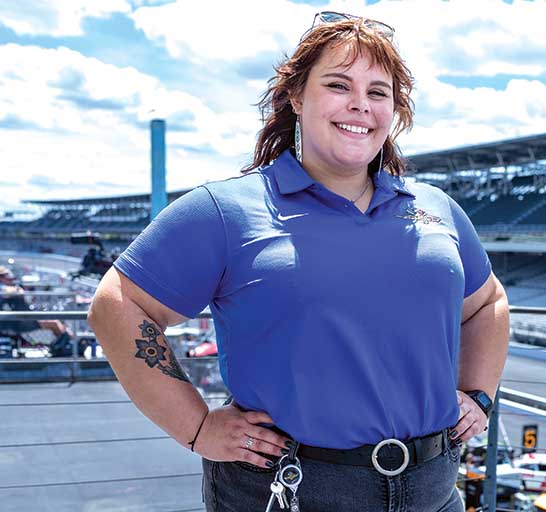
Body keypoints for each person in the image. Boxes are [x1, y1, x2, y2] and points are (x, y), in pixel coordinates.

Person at [88, 11, 509, 512]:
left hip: (431, 488)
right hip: (290, 488)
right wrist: (197, 427)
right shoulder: (227, 210)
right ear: (295, 96)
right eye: (338, 84)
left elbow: (488, 303)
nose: (360, 104)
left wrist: (478, 394)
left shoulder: (437, 209)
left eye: (378, 92)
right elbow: (117, 303)